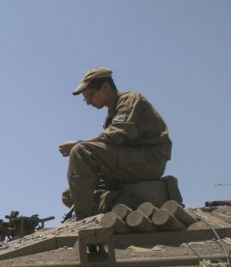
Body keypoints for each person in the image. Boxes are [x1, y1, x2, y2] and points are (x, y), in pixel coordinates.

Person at [58, 67, 172, 219]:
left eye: (90, 95)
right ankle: (119, 201)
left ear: (105, 87)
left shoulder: (130, 99)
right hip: (128, 161)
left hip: (149, 159)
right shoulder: (111, 114)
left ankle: (83, 218)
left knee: (81, 151)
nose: (88, 102)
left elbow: (116, 135)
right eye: (86, 99)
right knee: (70, 194)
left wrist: (77, 144)